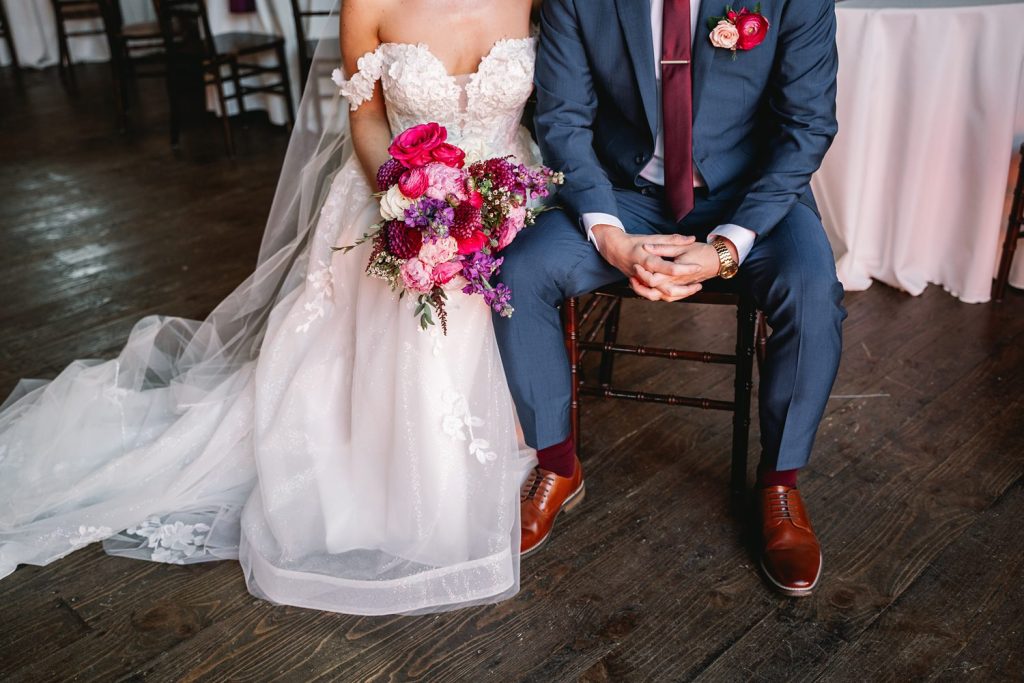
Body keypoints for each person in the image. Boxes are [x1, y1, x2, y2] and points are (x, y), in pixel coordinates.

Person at [0, 0, 543, 615]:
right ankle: (420, 486)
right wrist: (409, 210)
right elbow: (365, 120)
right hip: (398, 197)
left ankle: (515, 439)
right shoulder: (368, 4)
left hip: (512, 197)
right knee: (417, 299)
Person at [496, 0, 846, 596]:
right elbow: (562, 118)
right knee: (519, 272)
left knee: (812, 287)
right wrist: (609, 236)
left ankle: (780, 482)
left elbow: (807, 126)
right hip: (622, 195)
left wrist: (727, 248)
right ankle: (557, 463)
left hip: (749, 197)